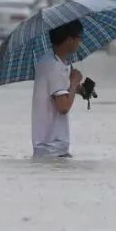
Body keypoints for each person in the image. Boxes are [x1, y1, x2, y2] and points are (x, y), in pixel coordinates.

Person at [32, 20, 84, 158]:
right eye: (80, 38)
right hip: (53, 149)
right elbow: (63, 107)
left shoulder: (48, 61)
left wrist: (78, 89)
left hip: (46, 147)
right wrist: (73, 83)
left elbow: (57, 92)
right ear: (70, 40)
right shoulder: (55, 67)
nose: (81, 42)